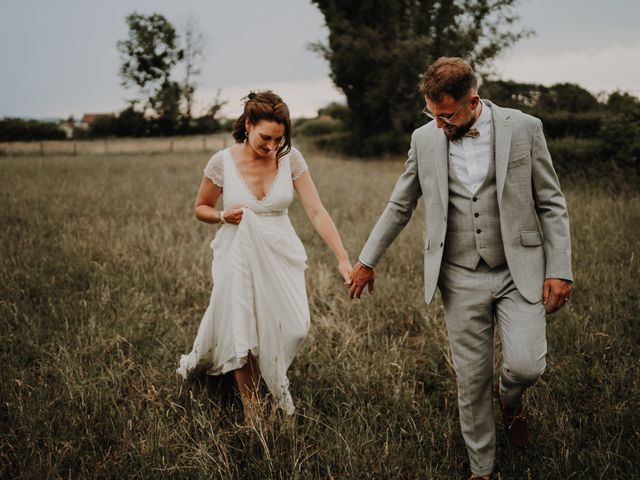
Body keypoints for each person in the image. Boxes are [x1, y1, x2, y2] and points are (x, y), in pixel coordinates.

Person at [348, 57, 573, 479]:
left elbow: (551, 203)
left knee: (527, 365)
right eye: (430, 114)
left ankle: (510, 400)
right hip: (458, 273)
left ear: (473, 101)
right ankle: (481, 468)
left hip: (517, 269)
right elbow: (400, 204)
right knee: (471, 381)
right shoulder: (424, 139)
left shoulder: (524, 128)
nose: (438, 124)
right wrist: (366, 260)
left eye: (446, 115)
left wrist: (559, 269)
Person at [177, 91, 352, 420]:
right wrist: (222, 216)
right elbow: (200, 208)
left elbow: (316, 211)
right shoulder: (222, 162)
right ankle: (252, 412)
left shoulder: (291, 159)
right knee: (247, 325)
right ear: (248, 125)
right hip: (238, 248)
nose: (272, 146)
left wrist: (342, 257)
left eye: (279, 139)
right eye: (265, 138)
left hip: (280, 249)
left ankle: (266, 371)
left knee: (296, 326)